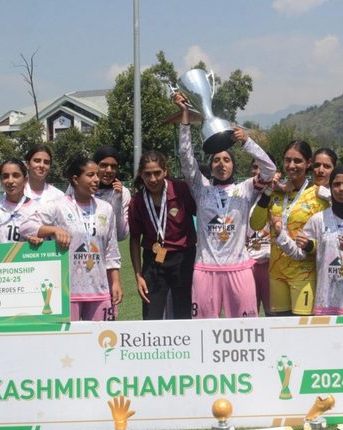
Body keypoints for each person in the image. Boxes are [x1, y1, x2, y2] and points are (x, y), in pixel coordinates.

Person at [174, 93, 276, 318]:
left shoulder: (246, 189)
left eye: (227, 159)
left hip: (239, 270)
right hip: (205, 270)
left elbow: (269, 170)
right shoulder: (201, 189)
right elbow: (185, 157)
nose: (221, 164)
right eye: (217, 160)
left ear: (233, 165)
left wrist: (247, 141)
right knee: (203, 330)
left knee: (245, 331)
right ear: (210, 166)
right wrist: (185, 119)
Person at [274, 166, 343, 315]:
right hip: (326, 306)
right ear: (330, 187)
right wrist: (281, 235)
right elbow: (299, 254)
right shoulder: (319, 219)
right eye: (336, 184)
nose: (341, 189)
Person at [250, 141, 331, 316]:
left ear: (308, 163)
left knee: (303, 331)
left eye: (298, 161)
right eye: (288, 160)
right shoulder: (276, 191)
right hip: (276, 272)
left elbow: (326, 237)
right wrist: (268, 191)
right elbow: (255, 224)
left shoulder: (318, 194)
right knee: (281, 330)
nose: (291, 165)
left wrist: (311, 245)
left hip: (304, 271)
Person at [40, 155, 122, 321]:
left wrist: (115, 282)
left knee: (103, 343)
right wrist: (54, 230)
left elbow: (111, 250)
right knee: (68, 344)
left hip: (99, 290)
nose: (96, 179)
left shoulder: (105, 209)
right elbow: (27, 227)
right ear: (76, 179)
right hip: (67, 291)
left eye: (97, 175)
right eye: (91, 175)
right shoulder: (58, 206)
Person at [128, 151, 197, 319]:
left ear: (165, 171)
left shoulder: (180, 189)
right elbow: (135, 239)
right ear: (141, 175)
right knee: (152, 316)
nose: (153, 179)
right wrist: (138, 276)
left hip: (183, 258)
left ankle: (185, 345)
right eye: (147, 174)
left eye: (157, 173)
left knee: (184, 313)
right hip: (154, 262)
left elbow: (201, 214)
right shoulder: (137, 201)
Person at [0, 158, 69, 245]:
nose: (10, 181)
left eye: (16, 175)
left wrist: (35, 240)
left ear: (25, 180)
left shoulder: (37, 209)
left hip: (22, 258)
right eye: (5, 176)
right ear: (1, 181)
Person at [246, 157, 277, 315]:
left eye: (262, 167)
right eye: (255, 167)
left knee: (273, 315)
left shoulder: (279, 195)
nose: (258, 171)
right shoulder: (245, 195)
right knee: (250, 315)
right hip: (248, 265)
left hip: (271, 265)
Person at [91, 146, 131, 242]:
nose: (109, 170)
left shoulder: (123, 193)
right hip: (80, 251)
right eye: (103, 165)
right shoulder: (82, 187)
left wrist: (117, 200)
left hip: (108, 254)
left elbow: (121, 235)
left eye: (113, 166)